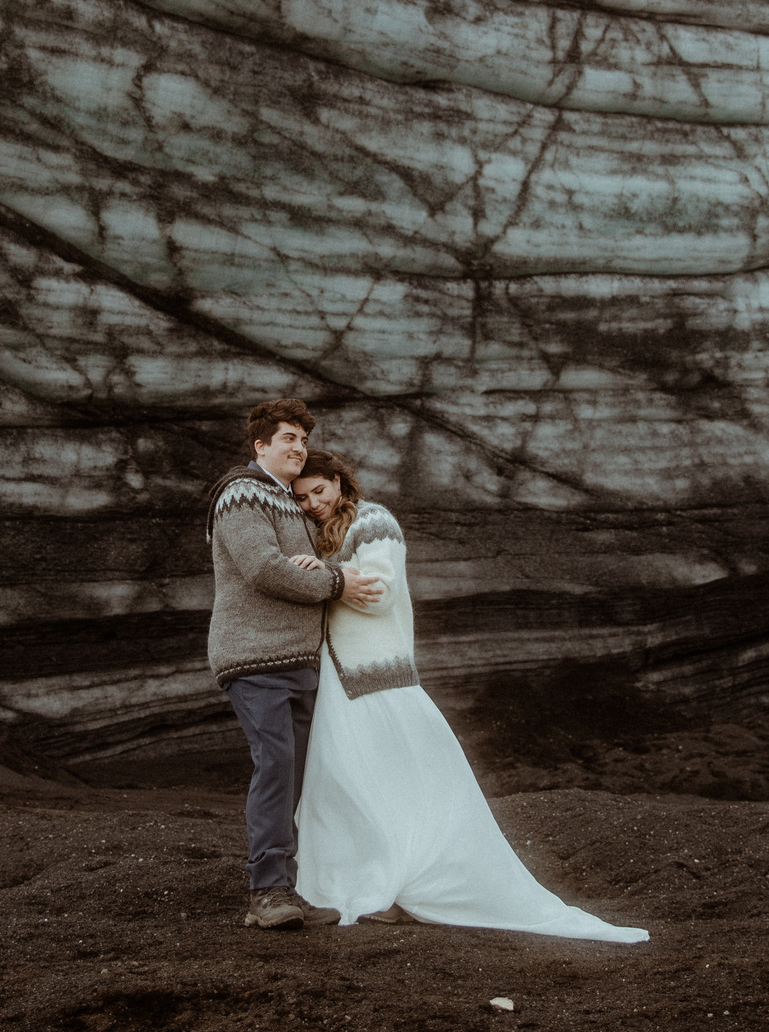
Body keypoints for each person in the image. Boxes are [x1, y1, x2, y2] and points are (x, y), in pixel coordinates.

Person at [287, 448, 648, 944]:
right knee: (342, 784)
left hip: (380, 678)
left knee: (394, 783)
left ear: (338, 481)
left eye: (319, 491)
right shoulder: (324, 531)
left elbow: (382, 593)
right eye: (302, 497)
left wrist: (322, 578)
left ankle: (399, 882)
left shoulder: (373, 520)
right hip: (340, 680)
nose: (311, 503)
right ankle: (376, 882)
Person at [206, 398, 380, 929]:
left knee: (301, 773)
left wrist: (325, 567)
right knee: (278, 766)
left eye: (303, 440)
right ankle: (268, 891)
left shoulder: (291, 502)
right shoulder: (241, 494)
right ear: (261, 446)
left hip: (300, 662)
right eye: (287, 438)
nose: (299, 448)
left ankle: (294, 884)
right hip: (255, 657)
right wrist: (337, 582)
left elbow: (298, 564)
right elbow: (262, 568)